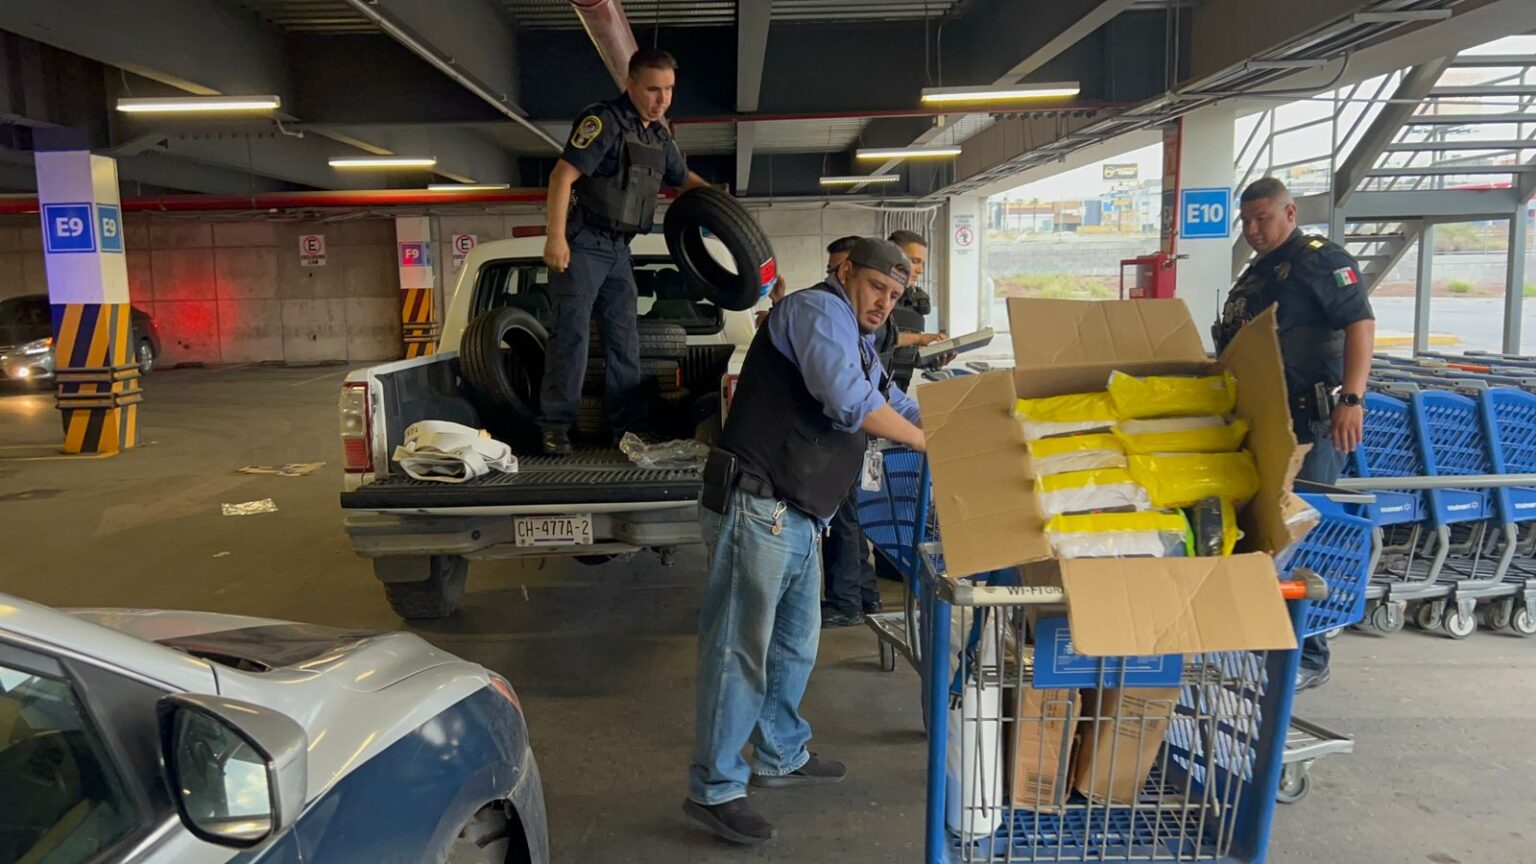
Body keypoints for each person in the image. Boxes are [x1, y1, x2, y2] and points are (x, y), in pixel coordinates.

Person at [686, 238, 926, 844]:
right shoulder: (817, 313)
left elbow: (892, 401)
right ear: (845, 271)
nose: (884, 302)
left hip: (798, 513)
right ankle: (715, 788)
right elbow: (849, 401)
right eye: (876, 287)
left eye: (894, 296)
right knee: (739, 646)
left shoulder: (861, 338)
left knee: (795, 644)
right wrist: (928, 444)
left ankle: (781, 752)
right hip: (757, 503)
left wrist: (952, 420)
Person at [1214, 177, 1376, 692]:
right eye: (1247, 220)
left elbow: (1360, 323)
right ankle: (1267, 640)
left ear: (1290, 211)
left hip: (1310, 422)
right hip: (1265, 422)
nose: (1254, 229)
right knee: (1268, 533)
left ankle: (1310, 652)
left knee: (1304, 527)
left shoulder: (1320, 260)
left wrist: (1352, 399)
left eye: (1263, 218)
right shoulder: (1257, 272)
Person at [539, 48, 709, 455]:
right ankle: (555, 427)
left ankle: (628, 429)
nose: (662, 98)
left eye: (668, 89)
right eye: (653, 89)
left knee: (624, 341)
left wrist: (720, 204)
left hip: (618, 252)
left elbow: (683, 178)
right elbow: (562, 175)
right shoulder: (604, 122)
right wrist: (555, 237)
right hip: (583, 245)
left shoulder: (656, 135)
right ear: (630, 84)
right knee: (572, 337)